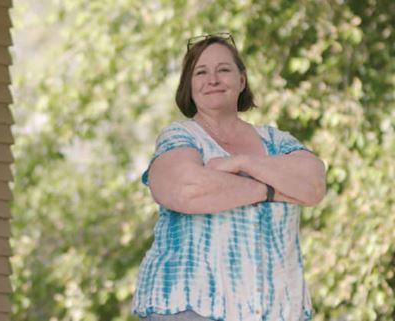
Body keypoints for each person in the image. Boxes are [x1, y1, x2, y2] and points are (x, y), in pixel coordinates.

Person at [131, 33, 326, 321]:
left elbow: (313, 185)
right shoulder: (181, 136)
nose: (213, 79)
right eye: (201, 72)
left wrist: (240, 163)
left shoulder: (276, 140)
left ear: (242, 80)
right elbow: (187, 189)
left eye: (223, 69)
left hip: (277, 311)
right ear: (190, 85)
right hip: (189, 308)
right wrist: (271, 190)